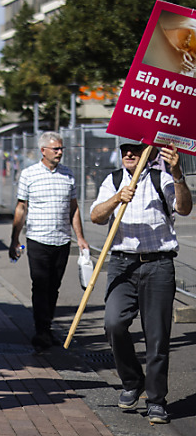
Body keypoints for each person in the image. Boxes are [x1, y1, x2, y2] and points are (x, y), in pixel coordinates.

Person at [90, 142, 192, 424]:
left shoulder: (163, 178)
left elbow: (183, 208)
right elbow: (96, 216)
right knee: (113, 323)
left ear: (148, 152)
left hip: (158, 265)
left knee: (157, 337)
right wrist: (116, 199)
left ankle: (157, 400)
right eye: (124, 150)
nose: (129, 154)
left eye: (135, 149)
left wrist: (178, 175)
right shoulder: (112, 180)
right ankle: (132, 381)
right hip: (122, 264)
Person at [10, 131, 90, 351]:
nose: (60, 152)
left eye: (61, 148)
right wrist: (14, 238)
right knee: (40, 283)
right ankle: (41, 330)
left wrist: (80, 237)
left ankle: (47, 327)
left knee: (54, 286)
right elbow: (21, 207)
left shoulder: (68, 175)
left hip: (62, 239)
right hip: (38, 239)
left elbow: (73, 208)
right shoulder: (29, 174)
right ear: (43, 150)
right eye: (55, 149)